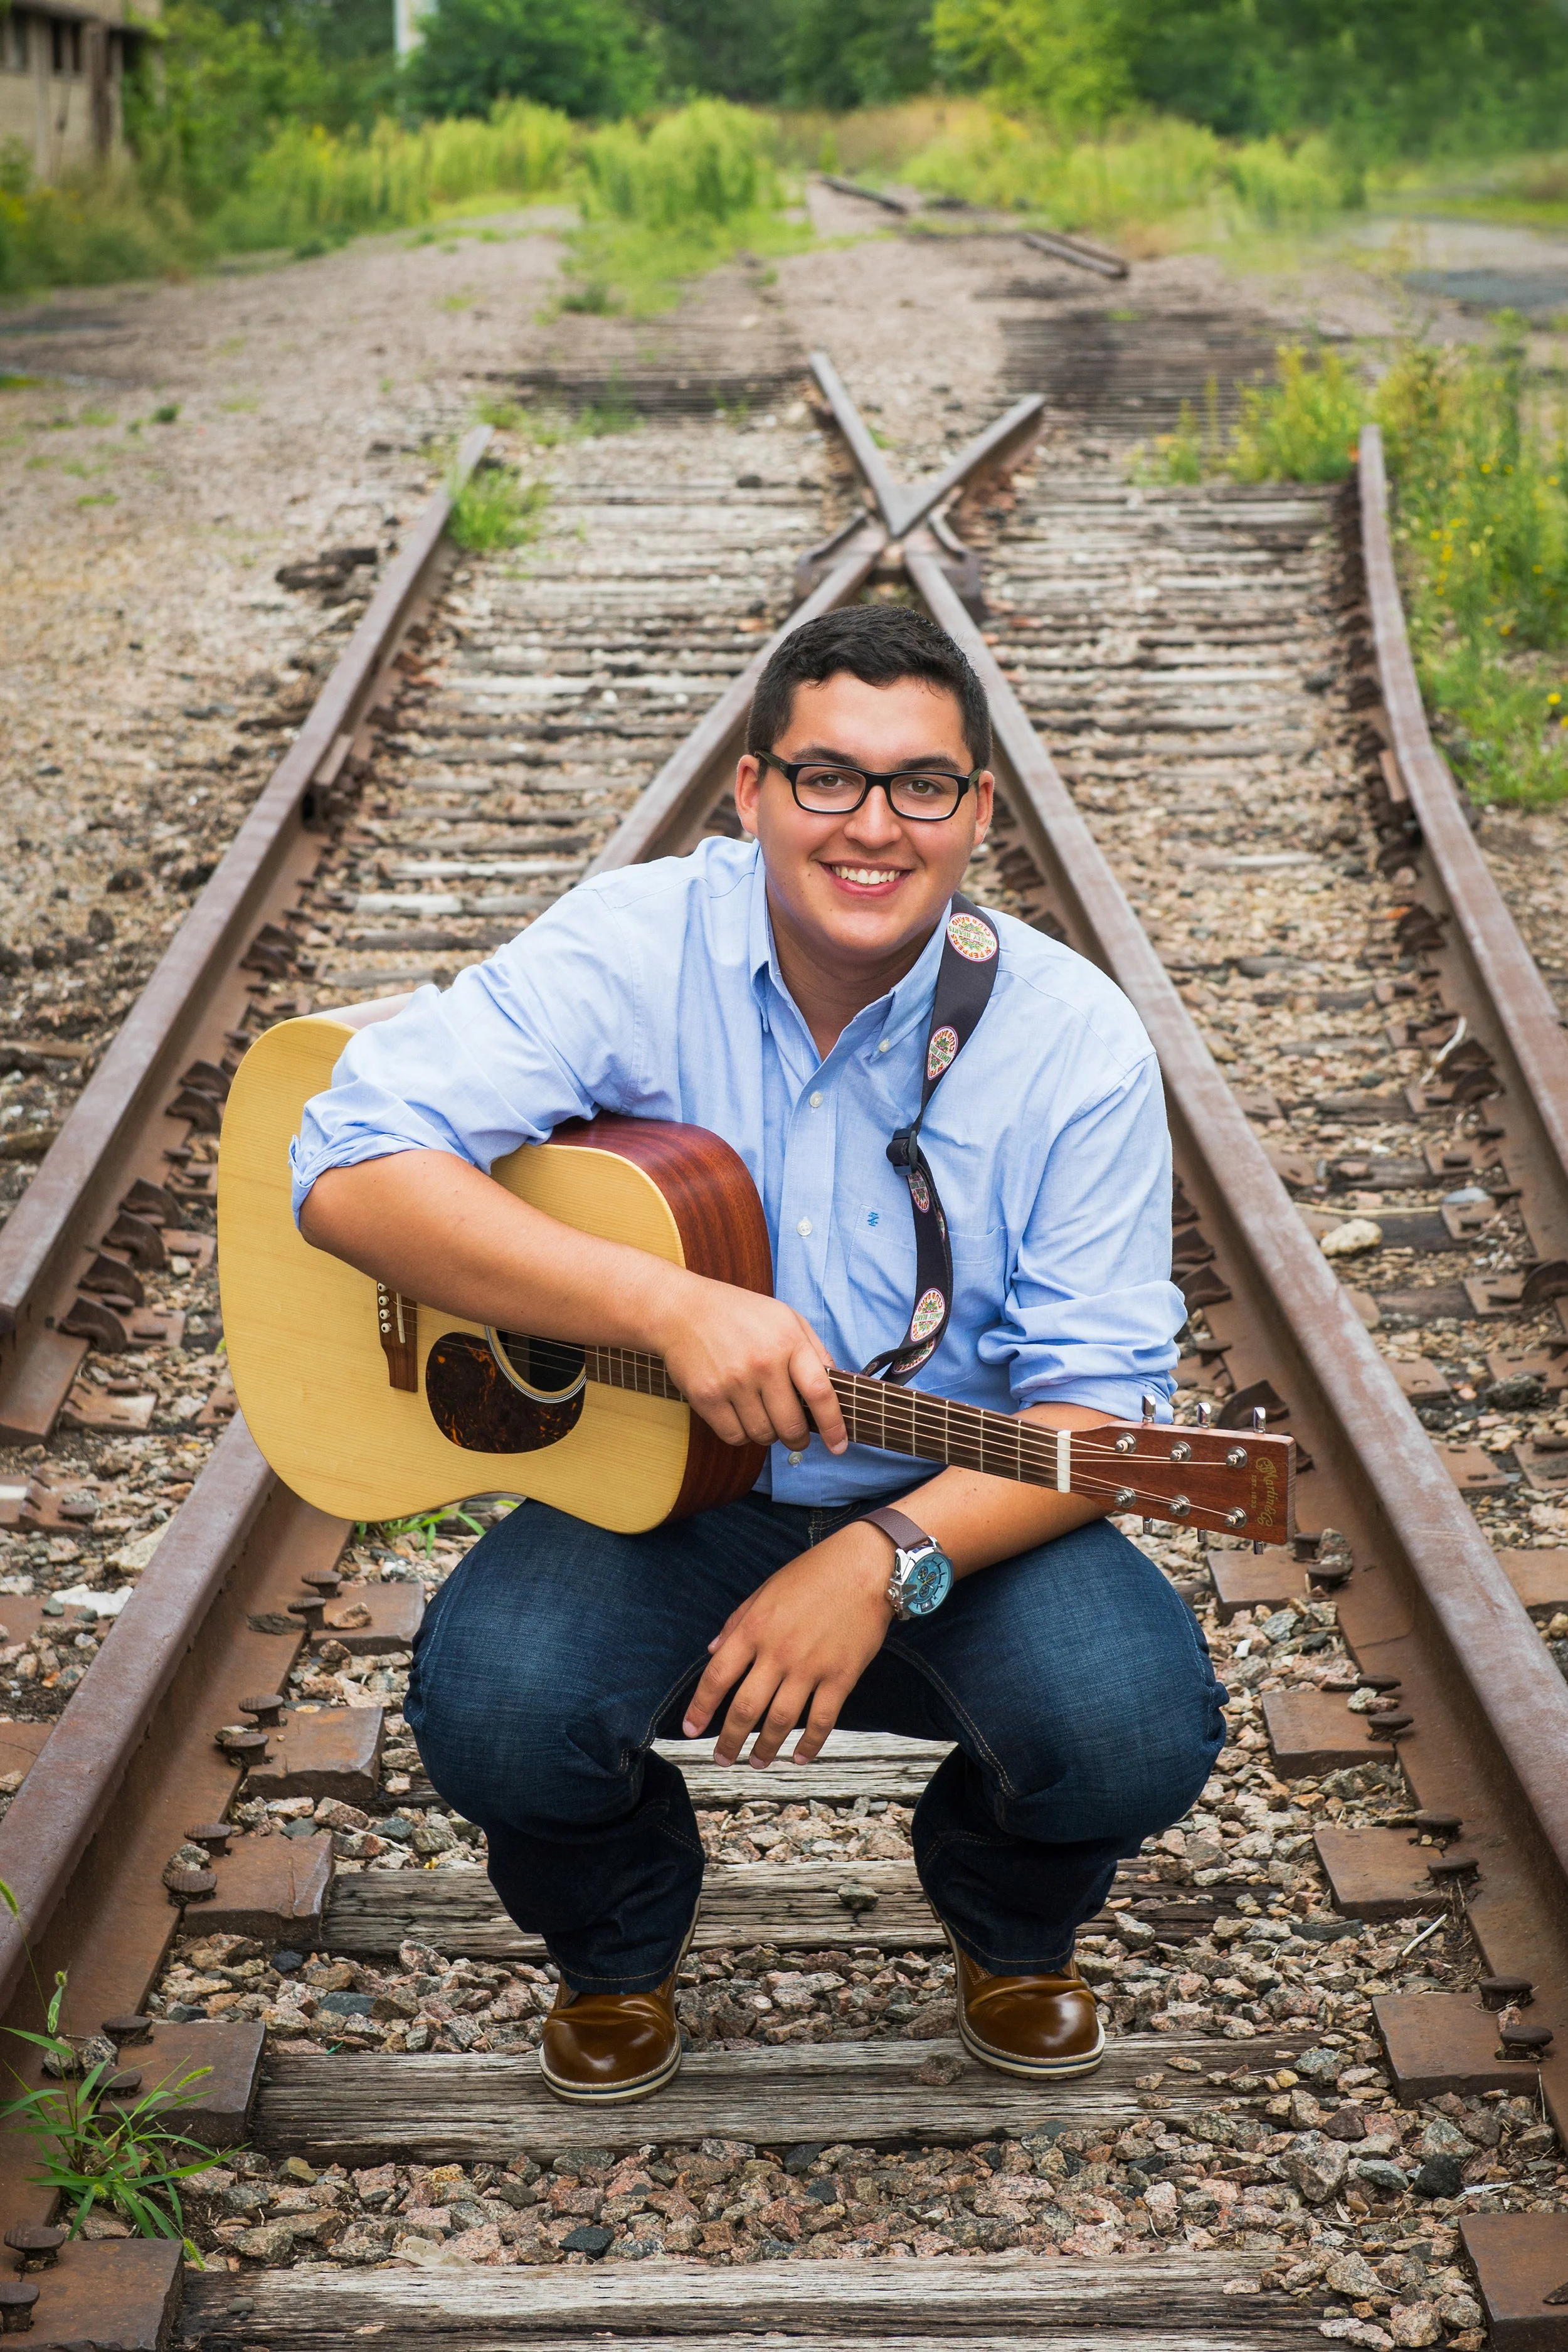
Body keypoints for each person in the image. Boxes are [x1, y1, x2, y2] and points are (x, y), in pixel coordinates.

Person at [292, 603, 1225, 2105]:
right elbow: (343, 1165)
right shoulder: (632, 942)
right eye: (825, 778)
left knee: (1129, 1729)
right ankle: (615, 1948)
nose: (872, 826)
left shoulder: (1073, 1042)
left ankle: (1008, 1923)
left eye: (921, 784)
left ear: (978, 809)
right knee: (494, 1712)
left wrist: (875, 1562)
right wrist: (659, 1308)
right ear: (749, 793)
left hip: (952, 1507)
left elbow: (1103, 1415)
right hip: (669, 1492)